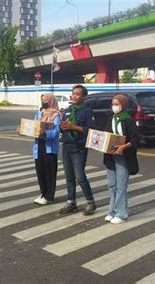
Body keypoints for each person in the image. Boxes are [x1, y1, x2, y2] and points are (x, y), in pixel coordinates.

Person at [59, 84, 97, 215]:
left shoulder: (87, 111)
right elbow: (63, 128)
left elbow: (91, 131)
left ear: (84, 96)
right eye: (73, 93)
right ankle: (71, 202)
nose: (74, 96)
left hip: (79, 148)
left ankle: (90, 202)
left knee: (80, 177)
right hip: (66, 146)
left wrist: (73, 127)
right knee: (69, 177)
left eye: (77, 94)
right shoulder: (67, 110)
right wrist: (60, 125)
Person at [103, 95, 139, 224]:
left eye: (117, 104)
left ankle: (121, 213)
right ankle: (112, 211)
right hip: (110, 156)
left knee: (121, 186)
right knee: (112, 184)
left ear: (123, 105)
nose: (114, 106)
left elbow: (135, 139)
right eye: (113, 104)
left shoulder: (128, 120)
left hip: (124, 157)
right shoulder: (111, 119)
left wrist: (124, 146)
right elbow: (106, 135)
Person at [24, 93, 61, 205]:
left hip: (49, 147)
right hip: (39, 145)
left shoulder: (56, 115)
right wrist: (23, 129)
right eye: (42, 100)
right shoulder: (39, 113)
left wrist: (45, 132)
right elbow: (33, 126)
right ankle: (43, 193)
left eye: (45, 100)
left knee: (49, 171)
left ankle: (49, 196)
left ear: (50, 101)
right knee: (40, 170)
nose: (43, 102)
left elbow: (56, 132)